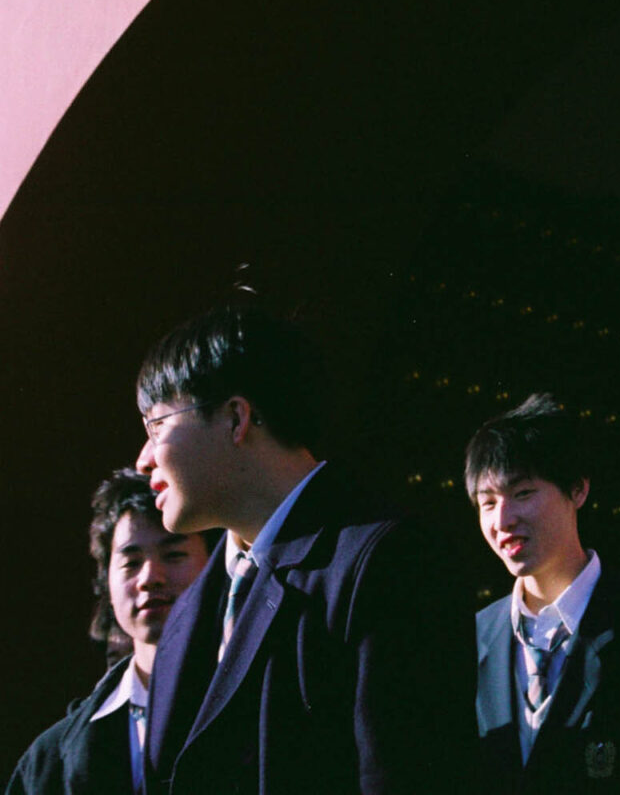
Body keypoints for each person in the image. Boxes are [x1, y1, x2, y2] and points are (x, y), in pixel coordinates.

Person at [135, 300, 476, 793]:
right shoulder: (189, 613)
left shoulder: (390, 562)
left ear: (236, 418)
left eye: (157, 425)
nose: (143, 460)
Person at [469, 396, 620, 792]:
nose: (503, 520)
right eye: (487, 502)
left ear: (578, 490)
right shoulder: (471, 639)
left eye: (523, 493)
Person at [5, 470, 210, 793]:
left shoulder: (266, 703)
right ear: (106, 582)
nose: (149, 577)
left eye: (174, 555)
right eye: (131, 562)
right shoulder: (51, 759)